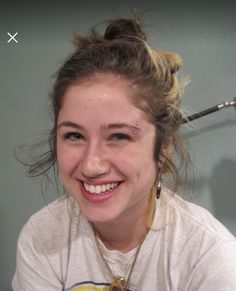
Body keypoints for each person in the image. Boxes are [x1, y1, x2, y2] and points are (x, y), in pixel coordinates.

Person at [12, 18, 236, 291]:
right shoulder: (42, 237)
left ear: (163, 144)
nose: (92, 165)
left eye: (119, 136)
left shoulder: (208, 257)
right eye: (74, 135)